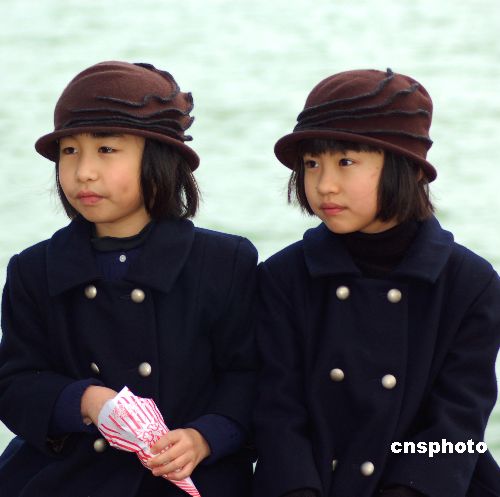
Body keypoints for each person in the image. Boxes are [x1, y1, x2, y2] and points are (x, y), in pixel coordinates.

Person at [0, 61, 258, 497]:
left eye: (106, 149)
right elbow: (14, 382)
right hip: (65, 479)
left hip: (189, 480)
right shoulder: (33, 268)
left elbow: (250, 375)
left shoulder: (223, 262)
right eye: (69, 151)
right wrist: (85, 401)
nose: (83, 171)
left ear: (160, 158)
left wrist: (206, 436)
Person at [252, 68, 500, 497]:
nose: (324, 184)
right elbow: (277, 412)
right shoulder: (283, 277)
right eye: (312, 164)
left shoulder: (470, 284)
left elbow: (457, 424)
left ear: (410, 168)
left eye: (345, 162)